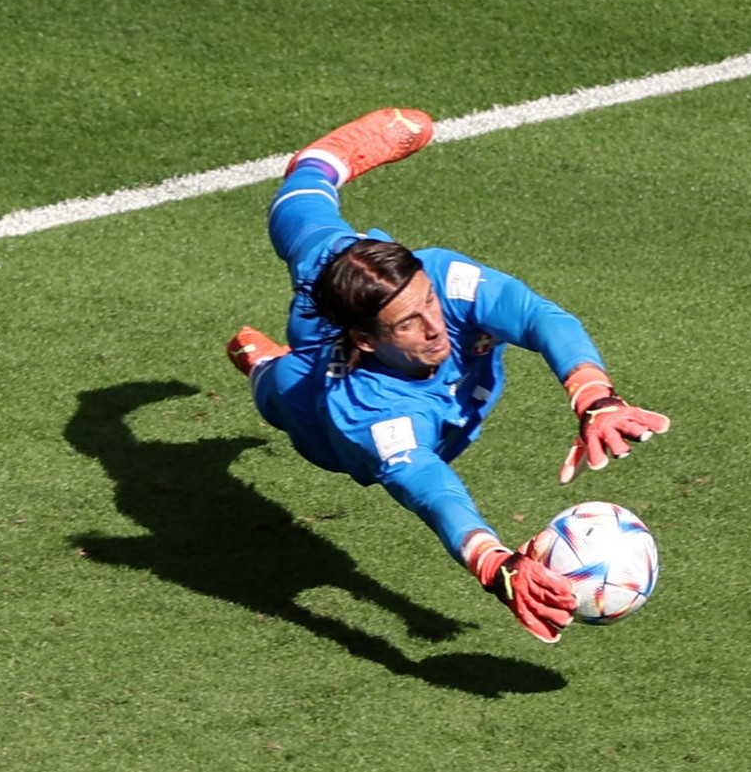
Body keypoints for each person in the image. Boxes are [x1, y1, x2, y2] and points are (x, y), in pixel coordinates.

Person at [227, 108, 670, 643]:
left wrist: (595, 397)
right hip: (318, 398)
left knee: (308, 206)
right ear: (367, 339)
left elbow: (537, 316)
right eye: (409, 323)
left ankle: (332, 152)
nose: (435, 326)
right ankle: (263, 363)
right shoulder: (370, 414)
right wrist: (495, 563)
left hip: (363, 305)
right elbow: (432, 489)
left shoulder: (437, 277)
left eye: (429, 302)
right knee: (282, 394)